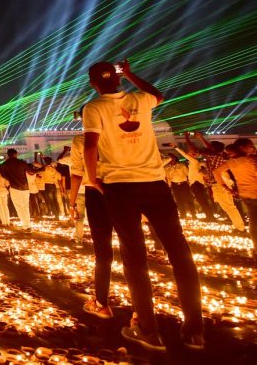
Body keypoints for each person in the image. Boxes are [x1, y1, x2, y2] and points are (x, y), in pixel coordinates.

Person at [83, 59, 203, 351]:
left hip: (120, 186)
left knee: (134, 256)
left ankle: (148, 330)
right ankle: (195, 331)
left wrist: (94, 179)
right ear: (118, 79)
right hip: (154, 183)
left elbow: (90, 145)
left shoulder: (94, 108)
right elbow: (158, 94)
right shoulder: (140, 99)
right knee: (179, 252)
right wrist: (132, 73)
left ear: (93, 83)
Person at [64, 134, 116, 319]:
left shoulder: (81, 140)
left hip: (96, 190)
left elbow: (77, 173)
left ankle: (101, 303)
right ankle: (141, 313)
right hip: (125, 187)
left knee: (103, 250)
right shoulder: (118, 132)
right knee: (133, 249)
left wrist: (71, 204)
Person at [185, 131, 244, 230]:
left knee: (229, 208)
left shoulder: (218, 156)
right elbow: (194, 150)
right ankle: (238, 226)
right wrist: (189, 138)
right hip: (219, 184)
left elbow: (209, 149)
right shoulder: (213, 156)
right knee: (230, 207)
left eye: (210, 146)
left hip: (220, 184)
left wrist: (199, 138)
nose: (207, 148)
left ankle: (240, 228)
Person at [214, 138, 257, 251]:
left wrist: (226, 188)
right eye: (250, 146)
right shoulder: (250, 160)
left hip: (245, 195)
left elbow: (216, 172)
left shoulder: (232, 162)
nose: (252, 148)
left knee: (254, 222)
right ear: (242, 148)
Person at [175, 146, 216, 220]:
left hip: (196, 184)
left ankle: (210, 217)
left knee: (202, 201)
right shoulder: (194, 162)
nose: (189, 153)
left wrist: (176, 147)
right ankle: (209, 216)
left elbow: (185, 155)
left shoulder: (194, 161)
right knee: (202, 201)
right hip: (196, 183)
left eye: (191, 152)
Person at [0, 149, 32, 232]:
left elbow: (2, 174)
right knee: (25, 207)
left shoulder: (5, 164)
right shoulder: (22, 162)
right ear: (15, 154)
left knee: (19, 207)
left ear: (8, 155)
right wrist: (41, 169)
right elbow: (31, 170)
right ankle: (27, 225)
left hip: (14, 187)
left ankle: (25, 225)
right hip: (25, 187)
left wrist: (10, 179)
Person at [165, 153, 195, 219]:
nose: (171, 160)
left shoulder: (182, 166)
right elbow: (168, 177)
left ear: (175, 158)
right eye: (170, 158)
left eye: (172, 158)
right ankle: (183, 214)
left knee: (189, 199)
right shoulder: (167, 168)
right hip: (175, 185)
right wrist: (170, 186)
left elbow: (188, 174)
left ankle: (193, 214)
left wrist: (190, 183)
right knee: (179, 201)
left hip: (184, 184)